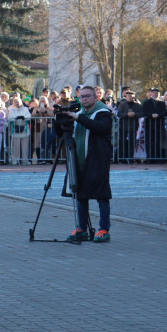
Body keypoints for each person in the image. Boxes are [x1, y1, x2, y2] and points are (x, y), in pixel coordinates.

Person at [63, 86, 114, 243]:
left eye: (87, 96)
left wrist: (78, 118)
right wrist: (61, 121)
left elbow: (99, 127)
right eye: (82, 96)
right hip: (79, 158)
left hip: (98, 158)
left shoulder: (103, 112)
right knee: (80, 195)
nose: (84, 99)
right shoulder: (79, 113)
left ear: (95, 97)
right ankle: (82, 228)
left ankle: (104, 229)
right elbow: (64, 134)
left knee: (101, 195)